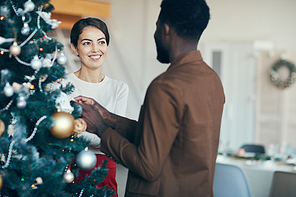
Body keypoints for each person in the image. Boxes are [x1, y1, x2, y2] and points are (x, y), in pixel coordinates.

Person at [75, 0, 225, 196]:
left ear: (166, 29)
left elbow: (147, 166)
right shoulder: (212, 79)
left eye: (156, 27)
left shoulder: (165, 85)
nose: (155, 35)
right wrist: (110, 118)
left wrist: (101, 129)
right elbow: (166, 139)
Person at [65, 17, 129, 197]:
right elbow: (59, 135)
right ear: (74, 48)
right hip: (68, 169)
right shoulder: (62, 85)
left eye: (101, 42)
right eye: (87, 43)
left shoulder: (119, 88)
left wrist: (76, 131)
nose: (95, 49)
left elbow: (116, 139)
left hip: (105, 172)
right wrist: (104, 137)